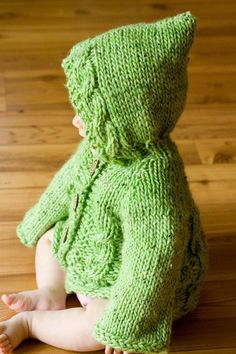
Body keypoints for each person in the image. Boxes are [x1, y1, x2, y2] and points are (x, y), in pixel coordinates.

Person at [0, 11, 209, 354]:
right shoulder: (103, 143)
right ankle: (51, 294)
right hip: (93, 243)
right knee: (51, 240)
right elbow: (67, 183)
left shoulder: (151, 179)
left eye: (89, 113)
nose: (75, 120)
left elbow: (153, 257)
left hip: (127, 283)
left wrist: (129, 324)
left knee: (97, 327)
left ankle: (32, 324)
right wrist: (39, 221)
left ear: (129, 117)